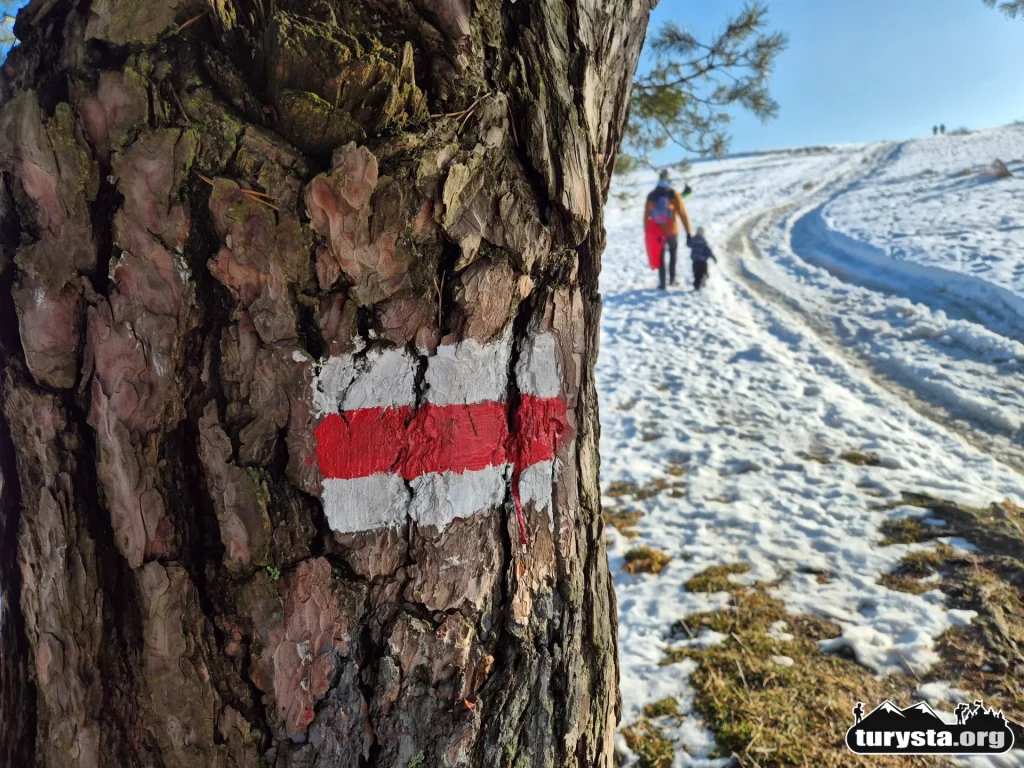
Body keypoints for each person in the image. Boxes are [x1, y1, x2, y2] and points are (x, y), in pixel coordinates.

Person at [644, 169, 692, 290]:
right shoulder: (673, 194)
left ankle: (662, 283)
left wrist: (647, 233)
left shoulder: (652, 195)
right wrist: (688, 231)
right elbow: (683, 214)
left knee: (660, 257)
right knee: (673, 255)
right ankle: (672, 280)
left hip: (657, 232)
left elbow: (646, 216)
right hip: (672, 230)